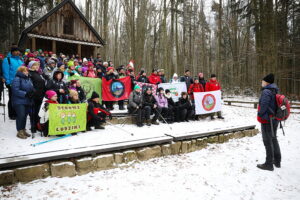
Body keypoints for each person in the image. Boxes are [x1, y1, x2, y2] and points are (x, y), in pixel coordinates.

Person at [257, 73, 281, 171]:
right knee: (274, 138)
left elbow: (264, 105)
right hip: (274, 119)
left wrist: (260, 115)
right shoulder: (275, 89)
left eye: (263, 81)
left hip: (268, 120)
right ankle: (277, 161)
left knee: (267, 141)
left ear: (266, 82)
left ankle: (269, 164)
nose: (261, 82)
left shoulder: (266, 91)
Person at [11, 66, 34, 139]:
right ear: (20, 72)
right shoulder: (17, 79)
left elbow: (31, 88)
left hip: (27, 100)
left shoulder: (28, 79)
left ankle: (23, 129)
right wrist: (25, 93)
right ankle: (19, 131)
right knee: (21, 115)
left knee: (24, 116)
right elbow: (15, 90)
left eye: (27, 71)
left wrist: (33, 91)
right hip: (18, 101)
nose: (26, 72)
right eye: (24, 71)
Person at [2, 47, 24, 120]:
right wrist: (8, 82)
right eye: (15, 51)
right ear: (12, 52)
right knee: (12, 98)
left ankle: (17, 112)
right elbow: (6, 72)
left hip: (21, 82)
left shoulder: (20, 60)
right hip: (12, 82)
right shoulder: (7, 60)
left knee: (19, 98)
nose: (17, 52)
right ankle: (12, 114)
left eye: (18, 51)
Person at [28, 61, 46, 133]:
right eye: (34, 65)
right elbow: (30, 85)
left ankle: (37, 125)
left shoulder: (39, 73)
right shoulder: (30, 73)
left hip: (41, 95)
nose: (36, 66)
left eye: (37, 65)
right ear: (31, 66)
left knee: (39, 111)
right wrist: (33, 92)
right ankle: (33, 127)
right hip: (34, 96)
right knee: (33, 112)